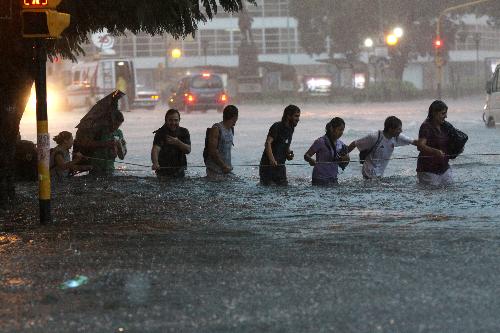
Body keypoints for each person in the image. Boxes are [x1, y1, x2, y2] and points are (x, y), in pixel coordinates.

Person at [348, 116, 417, 179]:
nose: (401, 131)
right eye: (398, 129)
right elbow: (355, 143)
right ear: (390, 129)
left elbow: (414, 142)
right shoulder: (374, 137)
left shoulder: (397, 137)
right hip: (368, 172)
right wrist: (343, 155)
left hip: (379, 174)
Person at [74, 110, 126, 176]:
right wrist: (105, 144)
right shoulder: (98, 131)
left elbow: (122, 157)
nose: (116, 127)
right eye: (115, 124)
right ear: (109, 121)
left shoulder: (118, 133)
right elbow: (86, 144)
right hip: (95, 169)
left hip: (110, 169)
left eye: (119, 125)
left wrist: (119, 146)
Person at [259, 104, 301, 186]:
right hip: (268, 168)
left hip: (280, 167)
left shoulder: (291, 128)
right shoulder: (277, 126)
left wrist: (288, 154)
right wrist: (272, 160)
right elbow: (268, 143)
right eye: (296, 116)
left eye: (299, 116)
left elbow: (285, 144)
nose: (298, 119)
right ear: (288, 115)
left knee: (284, 190)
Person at [416, 100, 454, 186]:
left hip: (445, 169)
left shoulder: (445, 126)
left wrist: (457, 148)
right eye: (443, 114)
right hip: (428, 171)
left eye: (446, 113)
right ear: (434, 113)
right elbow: (420, 146)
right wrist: (435, 151)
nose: (446, 116)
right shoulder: (426, 126)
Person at [304, 117, 350, 185]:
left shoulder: (341, 144)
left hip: (333, 178)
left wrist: (346, 159)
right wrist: (310, 160)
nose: (341, 133)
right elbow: (306, 156)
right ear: (331, 129)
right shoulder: (320, 141)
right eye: (339, 130)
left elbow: (344, 164)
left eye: (343, 130)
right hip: (319, 179)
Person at [151, 109, 191, 179]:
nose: (173, 123)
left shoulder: (184, 132)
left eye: (176, 120)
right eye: (170, 120)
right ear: (166, 120)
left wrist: (177, 142)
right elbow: (155, 149)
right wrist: (155, 163)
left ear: (179, 120)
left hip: (179, 170)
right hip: (163, 171)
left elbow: (188, 150)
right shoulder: (160, 133)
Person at [204, 105, 239, 179]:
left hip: (226, 172)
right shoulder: (216, 129)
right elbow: (212, 152)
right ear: (235, 117)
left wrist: (226, 168)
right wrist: (224, 166)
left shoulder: (231, 129)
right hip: (214, 173)